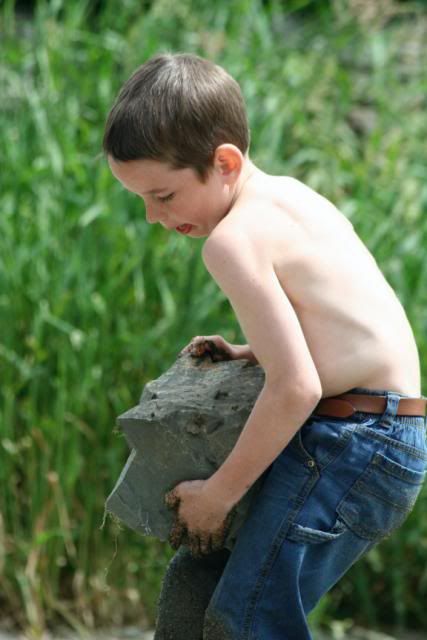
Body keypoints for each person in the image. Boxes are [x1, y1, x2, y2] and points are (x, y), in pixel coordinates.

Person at [102, 52, 427, 640]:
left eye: (164, 195)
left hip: (354, 441)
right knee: (195, 588)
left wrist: (217, 495)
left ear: (224, 162)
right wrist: (252, 351)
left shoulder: (231, 241)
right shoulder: (292, 197)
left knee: (248, 623)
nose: (152, 216)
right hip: (384, 431)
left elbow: (296, 387)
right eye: (141, 200)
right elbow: (349, 329)